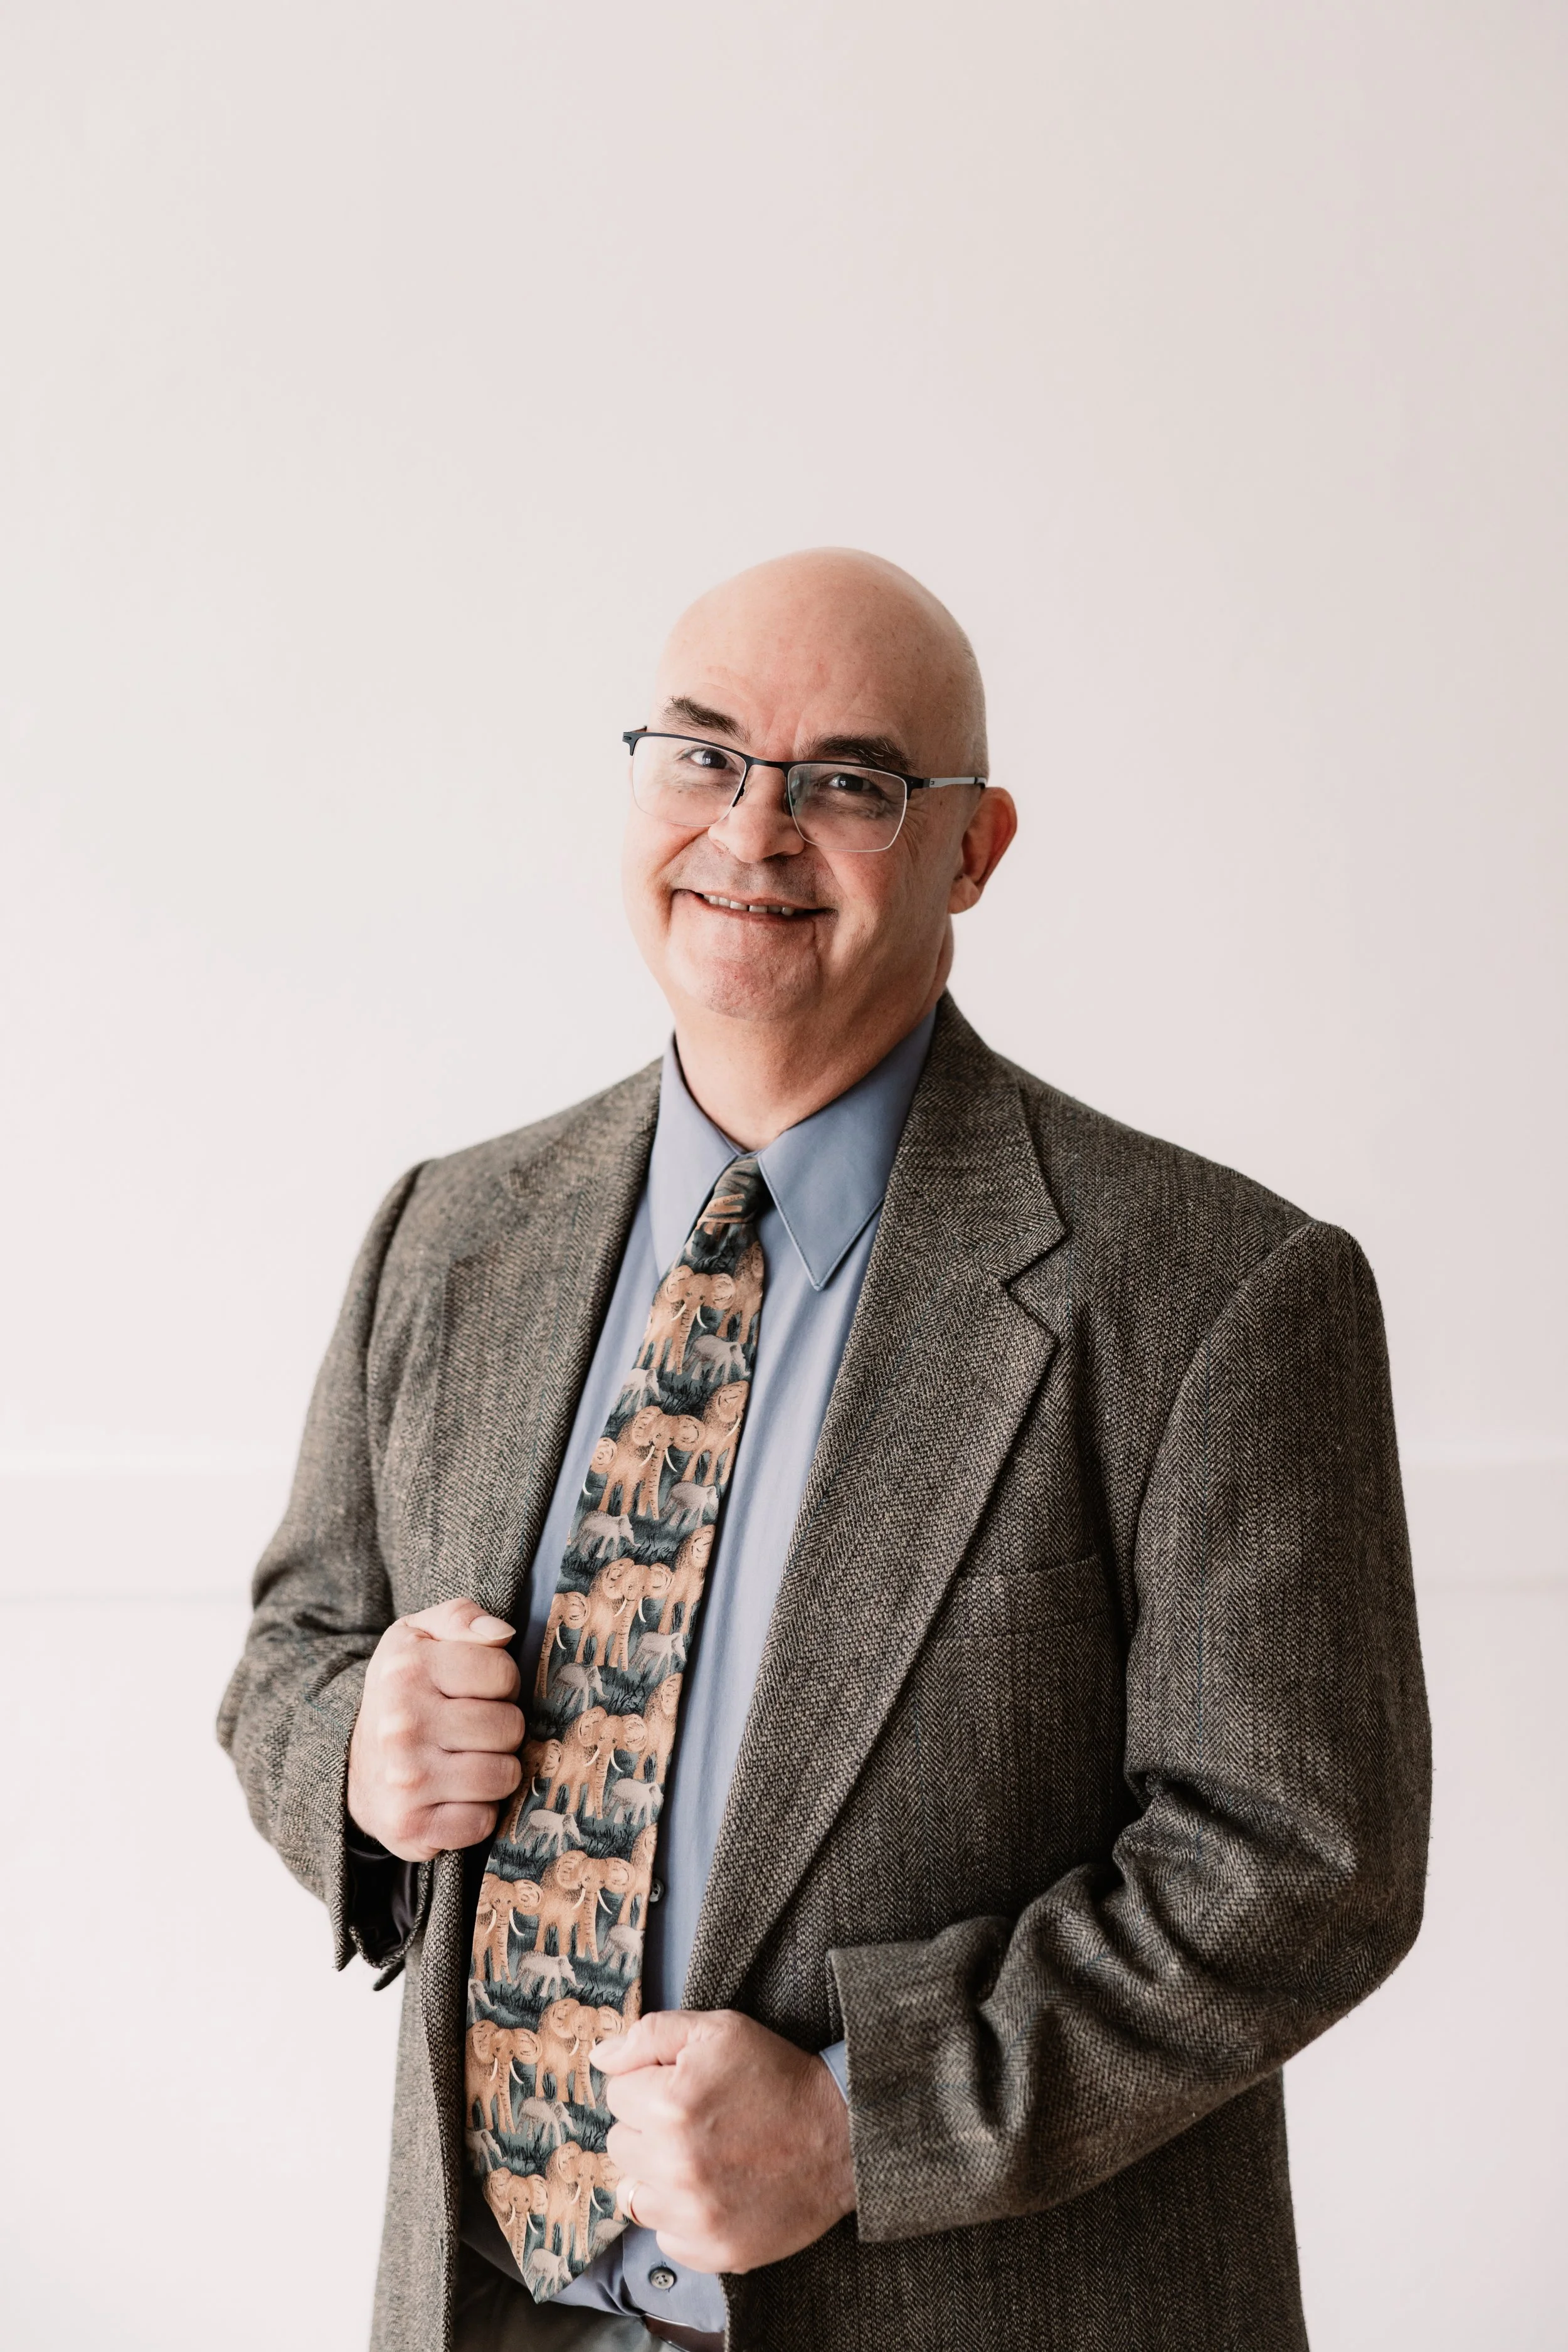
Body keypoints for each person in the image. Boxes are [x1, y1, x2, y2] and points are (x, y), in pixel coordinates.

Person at [219, 548, 1431, 2352]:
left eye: (850, 780)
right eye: (701, 754)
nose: (753, 830)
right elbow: (291, 1657)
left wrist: (861, 2122)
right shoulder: (448, 1234)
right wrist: (356, 1760)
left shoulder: (1214, 1292)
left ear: (973, 849)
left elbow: (1300, 1858)